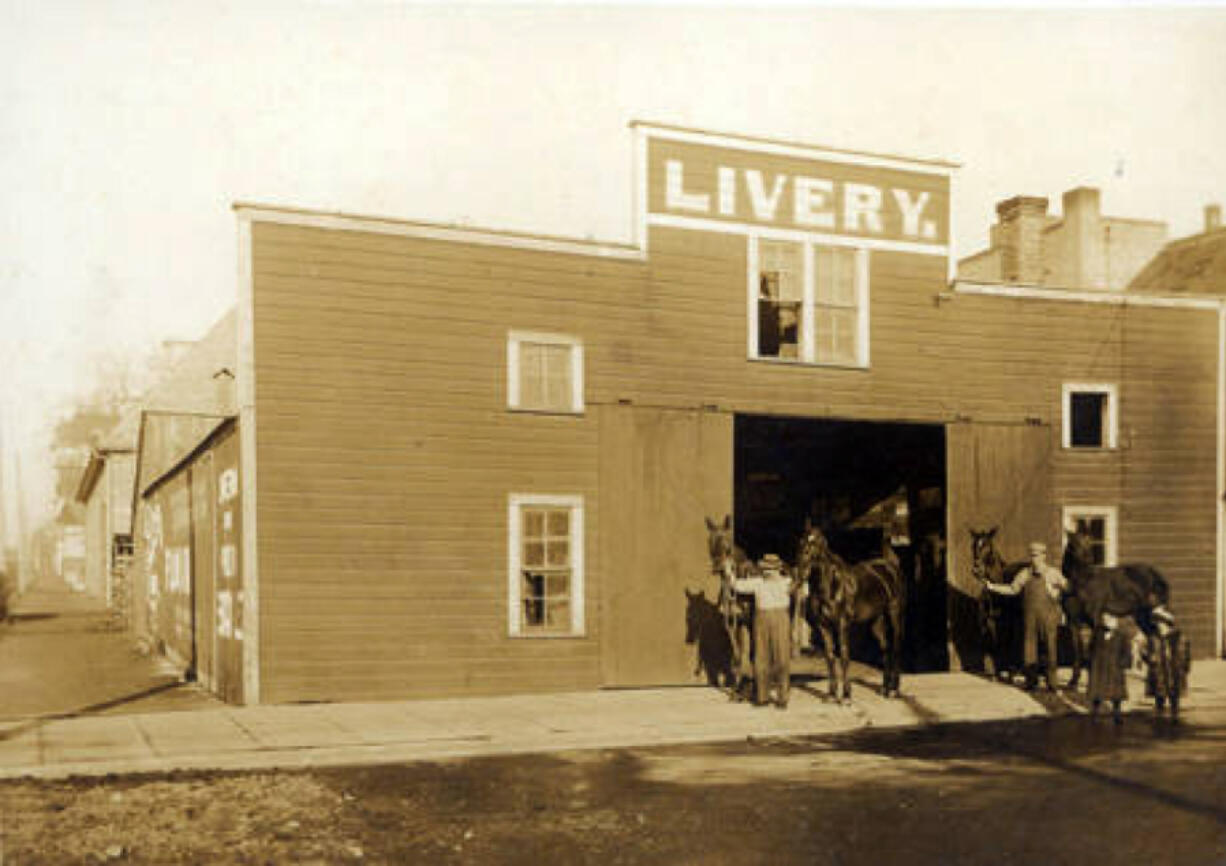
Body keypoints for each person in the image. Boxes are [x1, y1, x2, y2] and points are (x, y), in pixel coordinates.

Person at [981, 540, 1069, 691]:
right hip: (1030, 618)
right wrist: (992, 587)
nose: (1034, 559)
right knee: (1029, 649)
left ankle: (1052, 683)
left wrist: (1058, 597)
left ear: (1044, 556)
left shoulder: (1053, 573)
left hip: (1048, 618)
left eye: (1037, 556)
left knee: (1050, 648)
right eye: (1032, 556)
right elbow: (1012, 589)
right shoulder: (1024, 574)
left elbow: (1067, 588)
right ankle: (1031, 681)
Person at [732, 553, 793, 708]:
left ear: (778, 569)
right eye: (765, 569)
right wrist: (728, 572)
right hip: (761, 619)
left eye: (770, 569)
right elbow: (736, 585)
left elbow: (804, 590)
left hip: (781, 619)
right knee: (761, 657)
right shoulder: (757, 582)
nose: (767, 572)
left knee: (782, 658)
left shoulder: (787, 582)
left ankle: (782, 698)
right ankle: (762, 697)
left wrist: (802, 579)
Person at [1143, 605, 1191, 720]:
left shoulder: (1179, 637)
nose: (1158, 626)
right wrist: (1150, 658)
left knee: (1174, 695)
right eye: (1157, 623)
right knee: (1159, 696)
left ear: (1166, 623)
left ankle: (1175, 717)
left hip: (1174, 671)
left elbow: (1186, 654)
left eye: (1160, 623)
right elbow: (1145, 651)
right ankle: (1159, 718)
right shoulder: (1153, 638)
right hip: (1158, 671)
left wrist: (1184, 667)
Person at [1088, 612, 1131, 724]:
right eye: (1104, 619)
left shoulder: (1122, 635)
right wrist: (1091, 661)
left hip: (1114, 666)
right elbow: (1091, 648)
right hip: (1100, 666)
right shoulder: (1097, 633)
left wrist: (1122, 663)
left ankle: (1117, 714)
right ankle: (1095, 713)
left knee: (1116, 693)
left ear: (1115, 621)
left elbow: (1126, 652)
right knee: (1097, 691)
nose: (1106, 622)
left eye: (1109, 619)